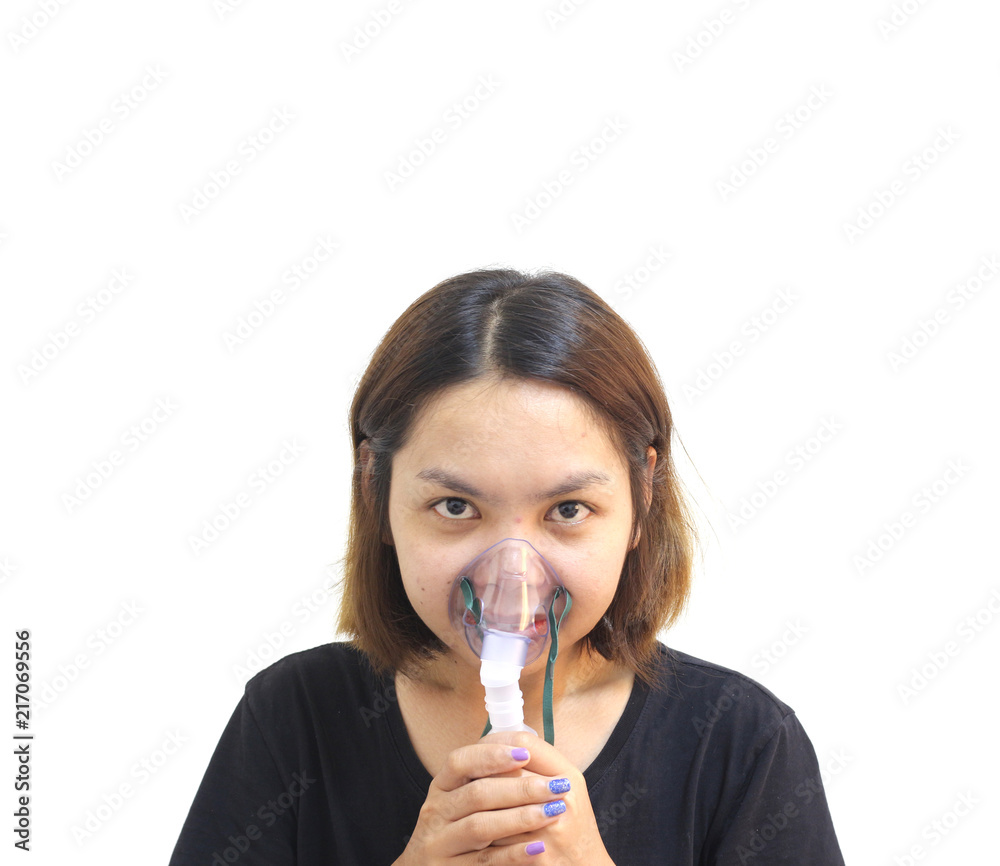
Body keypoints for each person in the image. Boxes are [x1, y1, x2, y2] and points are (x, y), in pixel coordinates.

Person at [167, 268, 846, 864]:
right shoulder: (295, 721)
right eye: (457, 506)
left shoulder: (739, 744)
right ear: (376, 490)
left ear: (641, 498)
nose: (511, 577)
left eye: (569, 509)